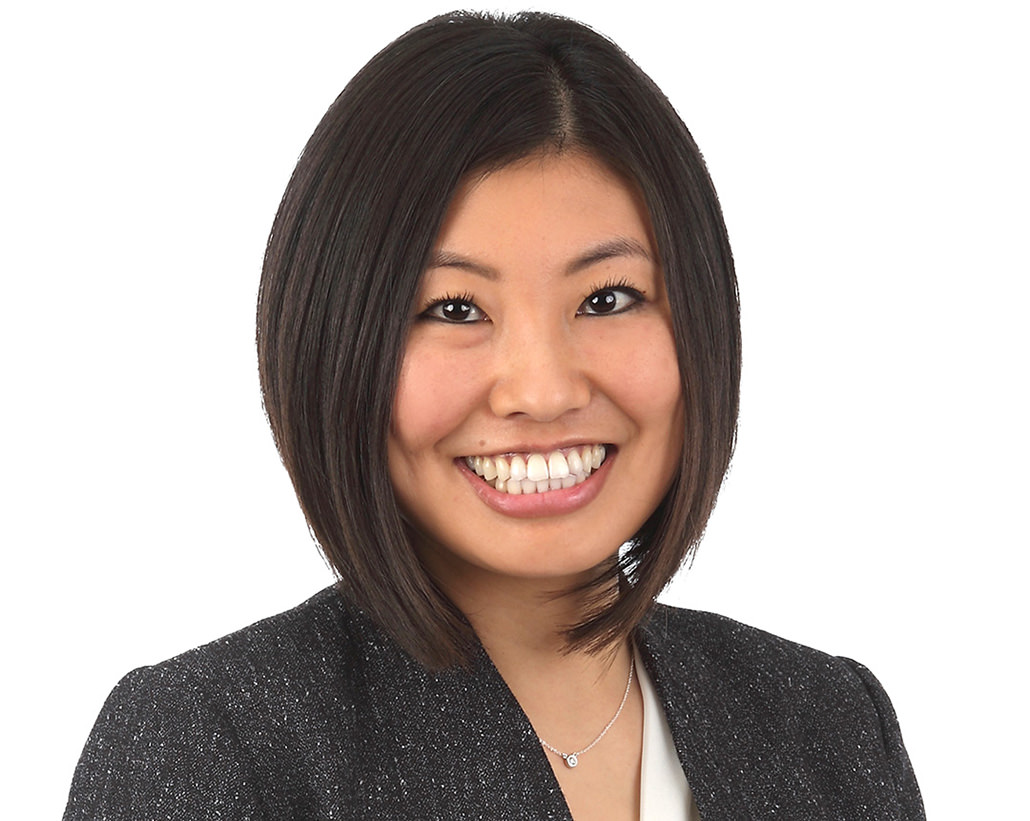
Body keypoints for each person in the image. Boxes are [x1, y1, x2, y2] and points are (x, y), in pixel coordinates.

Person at [63, 11, 924, 820]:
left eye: (608, 298)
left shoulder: (827, 726)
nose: (542, 391)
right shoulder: (217, 745)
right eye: (454, 309)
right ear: (335, 343)